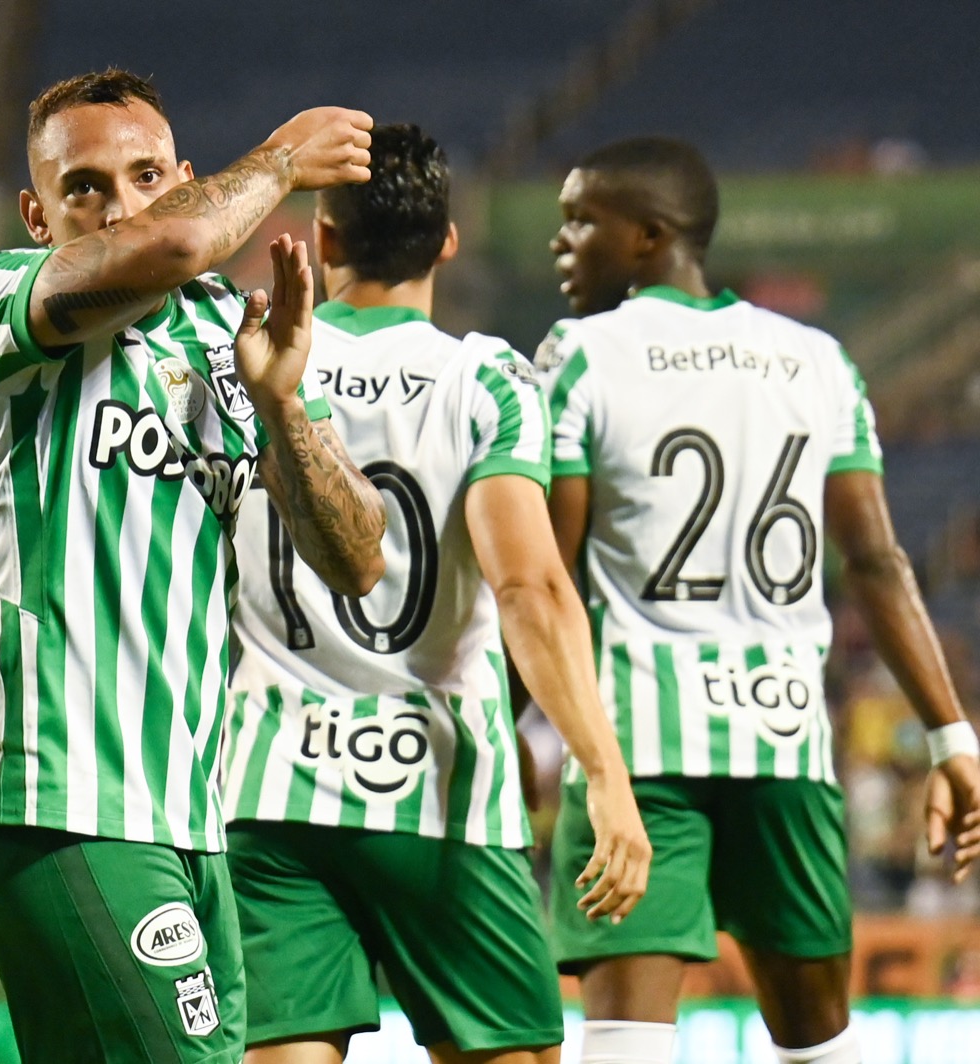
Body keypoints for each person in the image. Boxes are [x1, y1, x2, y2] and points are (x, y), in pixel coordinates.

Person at [0, 69, 387, 1064]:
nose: (121, 203)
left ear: (181, 175)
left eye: (145, 175)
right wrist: (279, 159)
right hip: (56, 794)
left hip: (186, 811)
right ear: (34, 213)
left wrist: (280, 407)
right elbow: (174, 242)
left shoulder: (225, 342)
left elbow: (356, 558)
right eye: (83, 185)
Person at [535, 135, 980, 1064]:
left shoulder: (582, 354)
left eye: (582, 221)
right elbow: (879, 562)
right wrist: (952, 735)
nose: (561, 243)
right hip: (782, 742)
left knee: (623, 1043)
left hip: (635, 754)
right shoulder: (817, 361)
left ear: (650, 235)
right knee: (818, 1045)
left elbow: (550, 578)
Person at [220, 123, 650, 1064]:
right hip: (442, 792)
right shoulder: (484, 379)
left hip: (269, 790)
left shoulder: (236, 371)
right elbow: (531, 588)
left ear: (323, 241)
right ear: (446, 242)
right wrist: (605, 775)